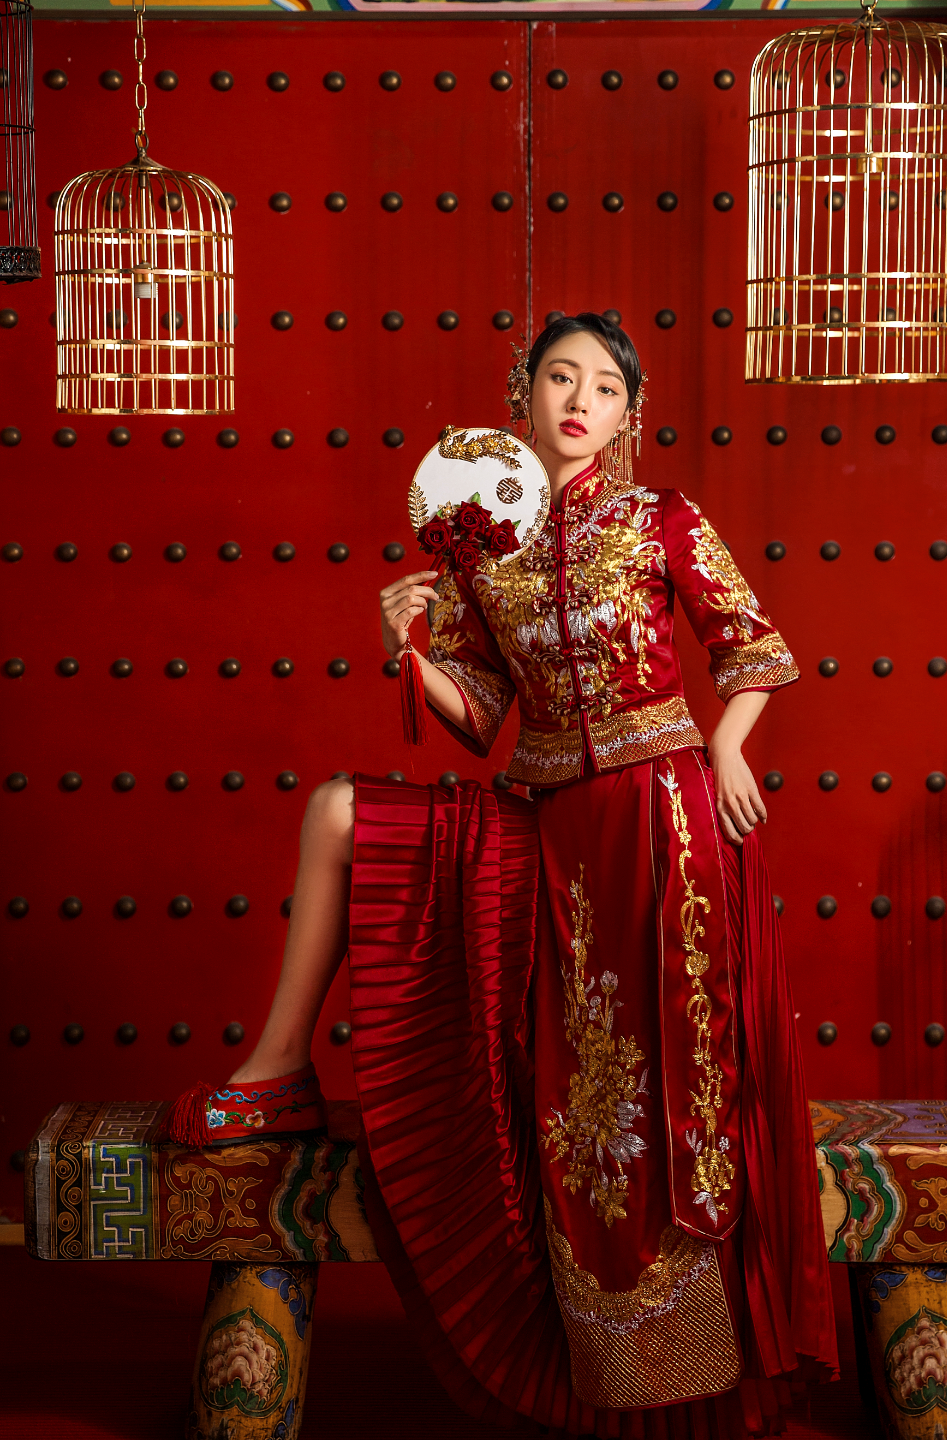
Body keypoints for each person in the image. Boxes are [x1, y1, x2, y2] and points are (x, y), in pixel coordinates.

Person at [168, 312, 837, 1438]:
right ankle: (279, 1069)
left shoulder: (662, 517)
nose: (579, 401)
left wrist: (727, 747)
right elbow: (478, 714)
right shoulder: (481, 550)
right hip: (542, 822)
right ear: (521, 395)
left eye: (604, 388)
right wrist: (409, 648)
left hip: (662, 821)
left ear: (628, 415)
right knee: (340, 813)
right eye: (560, 379)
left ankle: (681, 1356)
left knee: (656, 1099)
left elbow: (753, 646)